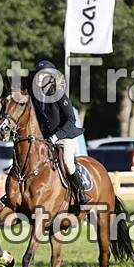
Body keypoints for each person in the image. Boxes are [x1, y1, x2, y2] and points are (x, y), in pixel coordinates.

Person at [30, 60, 90, 205]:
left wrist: (57, 136)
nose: (38, 77)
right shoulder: (36, 97)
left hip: (64, 136)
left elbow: (71, 120)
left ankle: (81, 194)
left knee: (69, 164)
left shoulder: (58, 94)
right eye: (37, 75)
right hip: (45, 138)